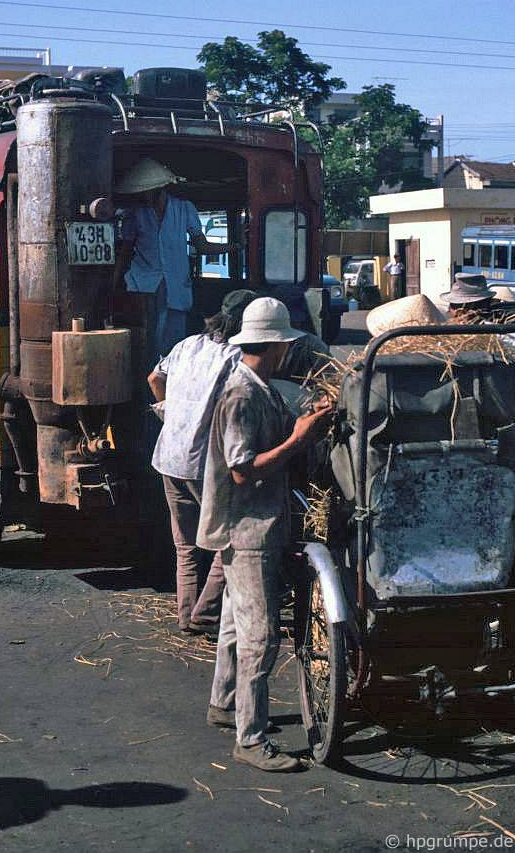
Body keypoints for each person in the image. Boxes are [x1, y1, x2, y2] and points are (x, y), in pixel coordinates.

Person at [196, 297, 334, 773]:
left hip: (253, 522)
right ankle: (251, 739)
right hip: (248, 527)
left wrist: (306, 421)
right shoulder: (242, 395)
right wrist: (299, 439)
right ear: (277, 346)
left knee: (235, 622)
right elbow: (242, 469)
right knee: (261, 635)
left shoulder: (260, 388)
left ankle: (223, 703)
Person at [147, 290, 259, 634]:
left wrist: (170, 411)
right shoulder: (236, 357)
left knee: (185, 547)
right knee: (229, 540)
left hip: (169, 456)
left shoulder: (187, 345)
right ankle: (207, 613)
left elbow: (154, 378)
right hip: (203, 463)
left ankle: (187, 616)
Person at [115, 158, 232, 359]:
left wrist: (235, 247)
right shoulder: (135, 214)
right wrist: (115, 282)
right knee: (145, 342)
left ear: (158, 190)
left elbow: (202, 246)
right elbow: (125, 251)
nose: (142, 196)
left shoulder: (184, 209)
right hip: (143, 286)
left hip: (176, 287)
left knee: (173, 344)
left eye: (146, 191)